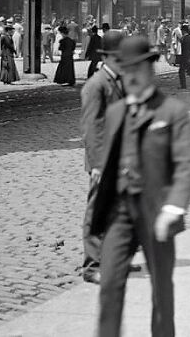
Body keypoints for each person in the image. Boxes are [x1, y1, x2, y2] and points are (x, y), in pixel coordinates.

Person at [91, 35, 190, 337]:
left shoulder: (172, 112)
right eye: (126, 71)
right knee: (110, 282)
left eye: (138, 69)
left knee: (161, 287)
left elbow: (187, 165)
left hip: (157, 211)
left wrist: (173, 208)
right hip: (119, 212)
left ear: (150, 69)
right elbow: (107, 155)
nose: (132, 76)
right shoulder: (115, 113)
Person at [79, 29, 126, 284]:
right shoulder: (96, 85)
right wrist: (97, 164)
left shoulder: (117, 82)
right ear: (108, 57)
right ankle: (92, 266)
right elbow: (90, 128)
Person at [177, 23, 190, 89]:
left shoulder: (185, 38)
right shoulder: (189, 38)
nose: (181, 31)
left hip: (185, 58)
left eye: (182, 30)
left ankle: (183, 86)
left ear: (184, 31)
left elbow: (186, 49)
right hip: (188, 57)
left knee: (181, 72)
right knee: (188, 71)